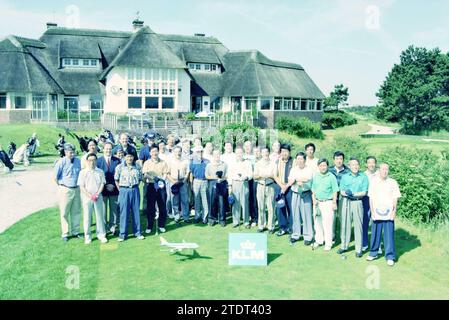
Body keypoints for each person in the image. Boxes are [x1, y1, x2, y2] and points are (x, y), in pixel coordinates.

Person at [366, 163, 401, 266]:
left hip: (389, 213)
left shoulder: (393, 182)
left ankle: (390, 256)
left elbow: (395, 198)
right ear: (379, 170)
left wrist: (394, 211)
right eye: (383, 169)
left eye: (386, 169)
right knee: (375, 234)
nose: (385, 171)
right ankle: (373, 253)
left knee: (389, 235)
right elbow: (371, 198)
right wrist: (372, 212)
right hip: (376, 213)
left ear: (388, 171)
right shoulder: (373, 182)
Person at [338, 158, 369, 257]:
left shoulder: (363, 177)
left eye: (356, 164)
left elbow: (364, 192)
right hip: (346, 202)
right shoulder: (345, 177)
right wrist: (346, 194)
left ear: (359, 166)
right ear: (349, 166)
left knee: (358, 226)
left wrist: (354, 194)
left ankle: (358, 249)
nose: (355, 167)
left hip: (357, 202)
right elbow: (342, 190)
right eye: (352, 165)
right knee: (345, 224)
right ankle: (344, 246)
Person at [54, 144, 82, 242]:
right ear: (65, 152)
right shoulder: (61, 162)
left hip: (76, 189)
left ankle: (75, 232)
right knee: (64, 212)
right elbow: (55, 177)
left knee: (76, 211)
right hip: (65, 189)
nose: (72, 154)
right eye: (70, 152)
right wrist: (63, 187)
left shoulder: (78, 161)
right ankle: (65, 233)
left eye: (73, 152)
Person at [78, 153, 107, 244]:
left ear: (96, 161)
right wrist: (90, 195)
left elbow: (102, 184)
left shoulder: (100, 171)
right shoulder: (82, 172)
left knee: (100, 216)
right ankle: (88, 236)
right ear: (87, 161)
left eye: (94, 160)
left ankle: (101, 235)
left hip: (98, 196)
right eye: (90, 160)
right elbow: (81, 186)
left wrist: (97, 194)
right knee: (87, 217)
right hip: (87, 197)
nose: (92, 162)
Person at [114, 153, 144, 242]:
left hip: (134, 189)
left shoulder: (137, 166)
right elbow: (116, 179)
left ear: (133, 157)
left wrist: (133, 187)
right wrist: (121, 190)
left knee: (136, 211)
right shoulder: (119, 167)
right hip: (123, 190)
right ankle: (122, 234)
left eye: (131, 156)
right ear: (125, 157)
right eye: (128, 156)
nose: (129, 158)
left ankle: (137, 232)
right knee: (124, 212)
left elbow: (140, 179)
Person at [311, 158, 339, 251]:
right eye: (321, 165)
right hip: (317, 203)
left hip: (328, 202)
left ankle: (328, 243)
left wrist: (334, 202)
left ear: (327, 166)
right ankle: (319, 241)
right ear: (318, 167)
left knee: (328, 224)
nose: (323, 167)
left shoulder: (331, 176)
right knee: (317, 223)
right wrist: (314, 199)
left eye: (324, 165)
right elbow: (313, 189)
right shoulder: (316, 176)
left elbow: (335, 191)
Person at [287, 152, 314, 245]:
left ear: (305, 160)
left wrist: (297, 179)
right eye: (297, 159)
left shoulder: (309, 169)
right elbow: (291, 180)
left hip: (306, 194)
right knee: (295, 215)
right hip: (295, 193)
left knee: (306, 215)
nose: (299, 161)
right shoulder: (293, 169)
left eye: (301, 159)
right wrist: (296, 180)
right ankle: (295, 234)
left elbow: (308, 179)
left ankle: (308, 236)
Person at [142, 145, 170, 234]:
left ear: (158, 151)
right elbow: (145, 174)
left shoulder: (163, 162)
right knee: (150, 206)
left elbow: (165, 173)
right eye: (153, 151)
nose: (154, 153)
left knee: (162, 205)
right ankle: (149, 225)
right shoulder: (147, 163)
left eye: (156, 151)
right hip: (151, 186)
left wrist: (161, 179)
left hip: (161, 186)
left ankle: (161, 225)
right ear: (150, 153)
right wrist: (154, 178)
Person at [97, 142, 121, 235]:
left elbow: (119, 175)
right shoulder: (98, 161)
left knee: (114, 210)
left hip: (114, 189)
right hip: (102, 190)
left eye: (110, 149)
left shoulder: (117, 160)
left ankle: (113, 227)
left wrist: (114, 185)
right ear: (103, 149)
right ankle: (104, 228)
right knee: (103, 210)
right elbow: (98, 176)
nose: (108, 150)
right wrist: (105, 185)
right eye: (107, 148)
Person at [227, 146, 253, 228]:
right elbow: (229, 175)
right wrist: (230, 186)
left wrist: (247, 177)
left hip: (244, 183)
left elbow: (251, 174)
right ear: (235, 153)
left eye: (240, 153)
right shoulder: (232, 163)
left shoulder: (247, 162)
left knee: (245, 202)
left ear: (243, 153)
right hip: (235, 183)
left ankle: (246, 221)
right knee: (235, 203)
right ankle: (236, 221)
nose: (239, 154)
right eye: (237, 153)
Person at [253, 147, 277, 233]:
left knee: (271, 207)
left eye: (267, 152)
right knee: (261, 207)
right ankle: (261, 225)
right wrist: (262, 175)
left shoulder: (273, 164)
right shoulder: (257, 164)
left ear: (269, 153)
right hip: (260, 186)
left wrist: (267, 175)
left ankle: (271, 226)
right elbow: (254, 176)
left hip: (270, 186)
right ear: (261, 154)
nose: (265, 154)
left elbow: (274, 176)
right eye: (263, 152)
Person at [273, 144, 294, 236]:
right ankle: (282, 228)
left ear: (289, 152)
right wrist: (282, 186)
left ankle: (291, 227)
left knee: (290, 208)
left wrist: (286, 186)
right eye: (282, 151)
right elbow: (275, 175)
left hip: (290, 187)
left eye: (286, 151)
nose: (284, 153)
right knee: (281, 207)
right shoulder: (278, 161)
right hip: (280, 187)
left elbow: (294, 176)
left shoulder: (294, 161)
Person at [329, 151, 349, 242]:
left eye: (340, 159)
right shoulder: (329, 170)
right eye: (337, 159)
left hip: (342, 197)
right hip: (331, 197)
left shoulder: (347, 171)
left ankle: (342, 236)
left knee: (342, 217)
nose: (339, 161)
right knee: (332, 218)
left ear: (343, 160)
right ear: (333, 160)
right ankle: (332, 236)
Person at [167, 146, 190, 223]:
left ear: (181, 152)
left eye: (179, 151)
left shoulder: (185, 161)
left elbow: (187, 172)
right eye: (176, 151)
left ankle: (186, 216)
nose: (178, 153)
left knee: (185, 200)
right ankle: (176, 216)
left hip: (183, 182)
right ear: (173, 152)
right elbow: (167, 173)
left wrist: (184, 180)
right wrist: (173, 181)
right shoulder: (170, 161)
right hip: (173, 182)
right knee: (175, 200)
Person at [205, 149, 228, 227]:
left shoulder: (224, 164)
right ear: (213, 156)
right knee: (212, 202)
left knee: (222, 202)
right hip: (212, 183)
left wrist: (222, 179)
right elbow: (206, 176)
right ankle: (212, 219)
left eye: (218, 154)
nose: (216, 156)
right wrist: (213, 177)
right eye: (215, 155)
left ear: (220, 155)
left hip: (221, 183)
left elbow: (227, 175)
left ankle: (222, 220)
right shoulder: (209, 165)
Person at [362, 156, 380, 252]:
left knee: (377, 222)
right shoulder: (363, 175)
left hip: (377, 200)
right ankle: (364, 243)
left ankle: (377, 245)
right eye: (369, 162)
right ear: (366, 164)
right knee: (365, 222)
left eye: (373, 162)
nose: (371, 164)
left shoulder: (379, 174)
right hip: (366, 200)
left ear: (375, 163)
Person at [189, 146, 210, 224]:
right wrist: (191, 184)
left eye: (201, 152)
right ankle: (197, 216)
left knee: (205, 200)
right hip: (196, 181)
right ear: (195, 153)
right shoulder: (192, 162)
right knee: (196, 199)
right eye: (198, 152)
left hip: (204, 181)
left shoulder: (207, 161)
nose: (199, 153)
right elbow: (191, 174)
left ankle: (205, 217)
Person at [243, 140, 258, 228]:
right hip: (242, 180)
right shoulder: (242, 156)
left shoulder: (254, 157)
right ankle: (246, 217)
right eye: (246, 146)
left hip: (252, 181)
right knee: (245, 199)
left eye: (249, 146)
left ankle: (254, 218)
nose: (247, 147)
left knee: (253, 200)